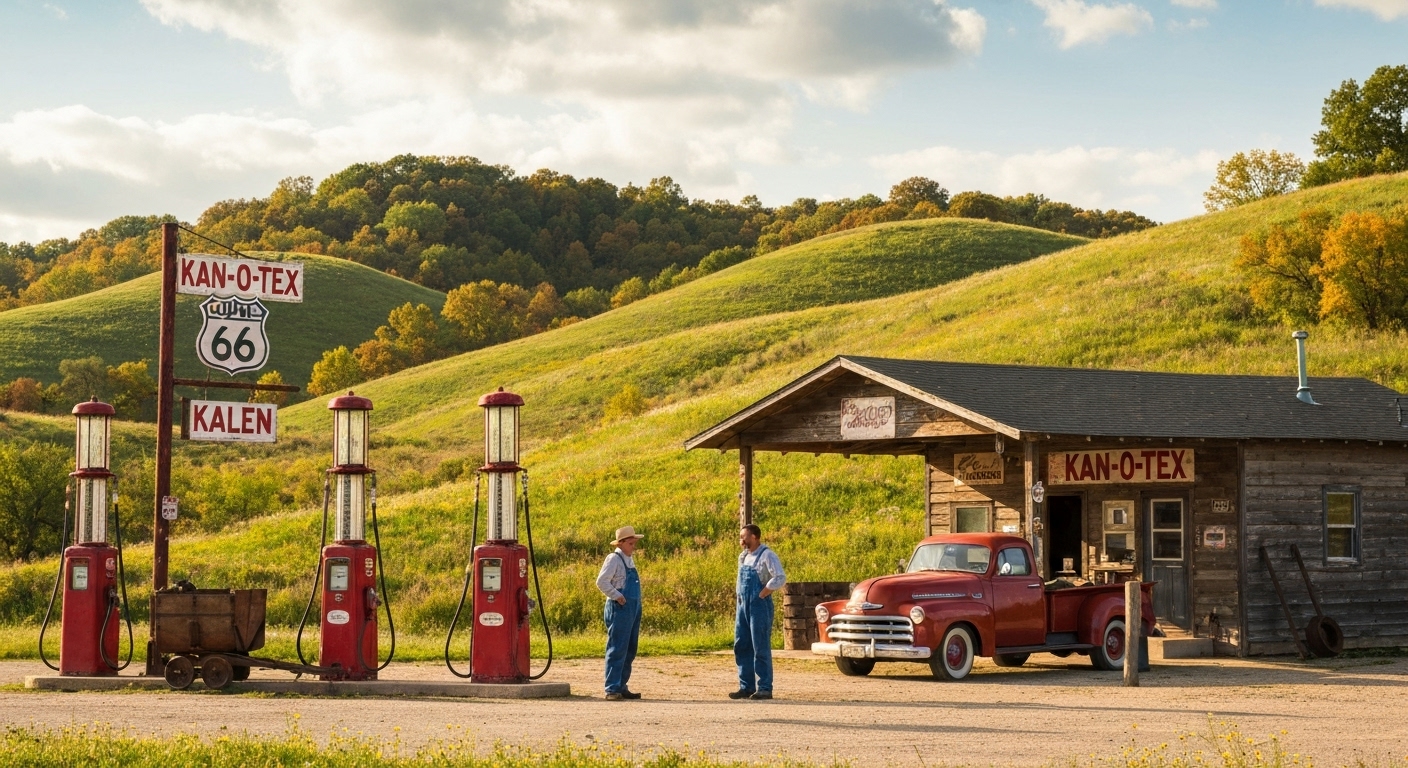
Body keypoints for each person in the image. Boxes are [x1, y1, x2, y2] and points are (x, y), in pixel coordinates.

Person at [730, 523, 785, 700]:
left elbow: (780, 577)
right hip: (742, 605)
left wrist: (763, 592)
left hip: (759, 606)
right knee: (741, 644)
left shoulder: (767, 555)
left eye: (743, 537)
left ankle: (764, 687)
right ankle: (746, 686)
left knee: (760, 645)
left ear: (754, 537)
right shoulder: (743, 556)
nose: (741, 540)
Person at [596, 525, 643, 701]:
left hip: (632, 608)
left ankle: (622, 685)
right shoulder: (613, 559)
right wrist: (617, 596)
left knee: (630, 648)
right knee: (617, 647)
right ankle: (612, 688)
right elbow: (601, 582)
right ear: (621, 543)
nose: (634, 546)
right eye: (631, 543)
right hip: (620, 608)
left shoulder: (628, 559)